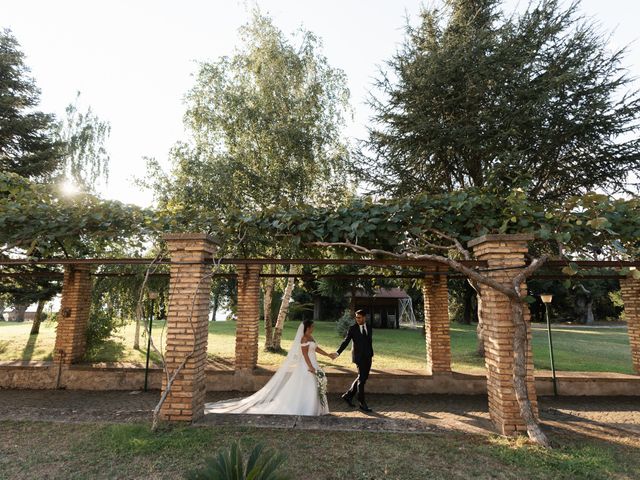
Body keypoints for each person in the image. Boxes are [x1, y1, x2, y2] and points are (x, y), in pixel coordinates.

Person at [205, 320, 332, 416]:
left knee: (315, 386)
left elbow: (316, 348)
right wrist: (311, 368)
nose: (314, 328)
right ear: (308, 327)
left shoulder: (311, 337)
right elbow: (305, 355)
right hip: (306, 366)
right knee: (308, 386)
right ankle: (307, 409)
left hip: (314, 364)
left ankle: (317, 409)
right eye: (312, 326)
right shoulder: (304, 338)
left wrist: (328, 355)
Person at [330, 309, 374, 412]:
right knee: (362, 380)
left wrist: (370, 354)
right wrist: (337, 353)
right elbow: (345, 342)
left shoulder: (369, 327)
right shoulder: (352, 329)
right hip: (358, 357)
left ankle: (348, 395)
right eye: (356, 317)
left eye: (359, 317)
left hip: (368, 356)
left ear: (364, 318)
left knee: (362, 377)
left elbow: (367, 342)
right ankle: (362, 403)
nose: (357, 319)